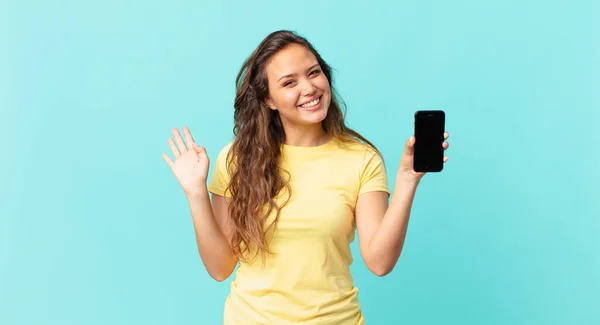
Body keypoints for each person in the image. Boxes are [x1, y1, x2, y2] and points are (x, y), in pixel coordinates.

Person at [162, 30, 450, 325]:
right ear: (268, 99)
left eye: (314, 73)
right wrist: (195, 192)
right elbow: (220, 268)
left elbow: (379, 263)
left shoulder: (362, 159)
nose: (309, 88)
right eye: (289, 82)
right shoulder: (237, 159)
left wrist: (406, 180)